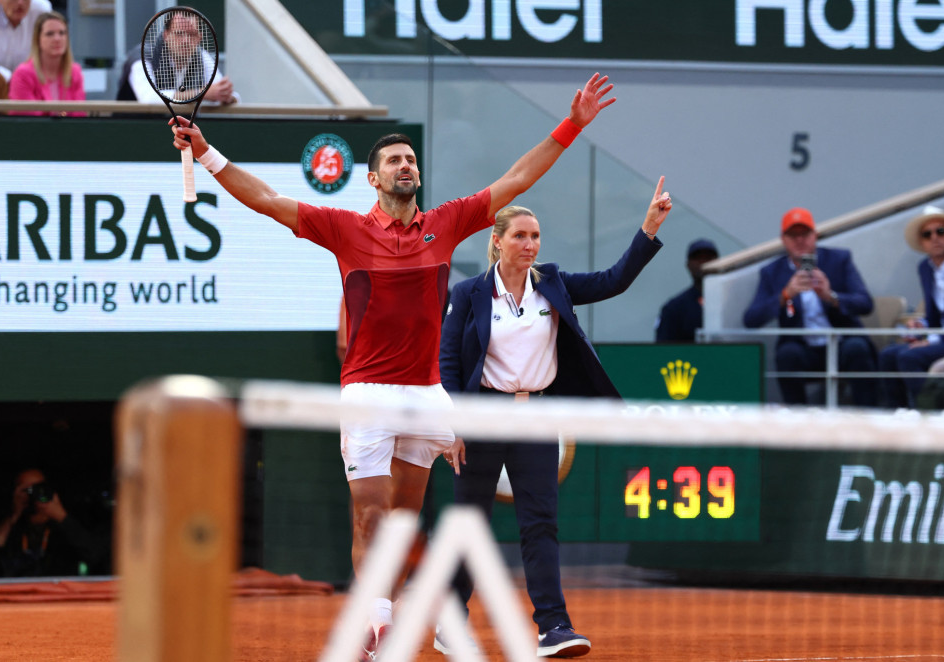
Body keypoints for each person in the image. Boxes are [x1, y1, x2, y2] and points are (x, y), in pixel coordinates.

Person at [166, 73, 617, 659]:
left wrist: (573, 124)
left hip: (428, 393)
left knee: (404, 525)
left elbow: (518, 179)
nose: (405, 165)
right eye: (393, 161)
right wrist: (207, 152)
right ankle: (378, 624)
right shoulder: (344, 229)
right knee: (372, 518)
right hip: (367, 392)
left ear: (418, 174)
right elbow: (268, 201)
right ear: (374, 179)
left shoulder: (448, 223)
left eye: (410, 159)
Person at [437, 180, 671, 658]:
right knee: (468, 526)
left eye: (536, 236)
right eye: (520, 235)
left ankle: (554, 627)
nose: (530, 244)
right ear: (497, 240)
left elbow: (613, 280)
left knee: (540, 523)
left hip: (538, 419)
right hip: (482, 419)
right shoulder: (468, 293)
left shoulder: (554, 283)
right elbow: (448, 362)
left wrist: (648, 228)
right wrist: (452, 426)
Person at [743, 207, 877, 406]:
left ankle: (867, 417)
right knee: (786, 354)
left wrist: (830, 296)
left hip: (840, 343)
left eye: (805, 234)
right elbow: (751, 319)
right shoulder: (772, 271)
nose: (799, 240)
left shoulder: (839, 260)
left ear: (815, 235)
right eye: (792, 235)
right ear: (783, 240)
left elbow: (866, 304)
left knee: (857, 347)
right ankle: (797, 423)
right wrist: (785, 295)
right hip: (803, 348)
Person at [879, 206, 944, 408]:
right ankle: (899, 413)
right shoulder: (925, 268)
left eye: (940, 231)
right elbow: (937, 317)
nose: (934, 238)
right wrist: (921, 325)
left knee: (909, 357)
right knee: (888, 355)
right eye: (927, 234)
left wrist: (931, 340)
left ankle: (932, 414)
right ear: (922, 242)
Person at [0, 467, 108, 578]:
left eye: (38, 488)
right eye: (26, 489)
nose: (32, 494)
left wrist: (61, 516)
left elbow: (95, 554)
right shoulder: (11, 526)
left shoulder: (68, 525)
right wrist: (13, 515)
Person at [118, 12, 238, 106]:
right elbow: (148, 98)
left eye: (191, 34)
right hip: (133, 129)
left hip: (179, 131)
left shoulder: (202, 56)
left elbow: (230, 95)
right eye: (179, 34)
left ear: (199, 38)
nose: (185, 41)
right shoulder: (142, 55)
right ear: (166, 35)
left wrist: (226, 96)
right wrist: (201, 94)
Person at [7, 11, 84, 116]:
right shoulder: (22, 74)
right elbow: (29, 119)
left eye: (62, 33)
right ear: (38, 39)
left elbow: (79, 116)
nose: (57, 39)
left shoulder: (75, 72)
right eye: (50, 34)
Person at [655, 238, 719, 342]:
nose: (703, 262)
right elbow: (663, 350)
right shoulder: (674, 308)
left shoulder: (732, 301)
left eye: (709, 257)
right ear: (688, 265)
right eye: (698, 258)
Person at [0, 0, 52, 79]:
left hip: (30, 79)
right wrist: (9, 77)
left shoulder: (41, 9)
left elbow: (47, 51)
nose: (20, 2)